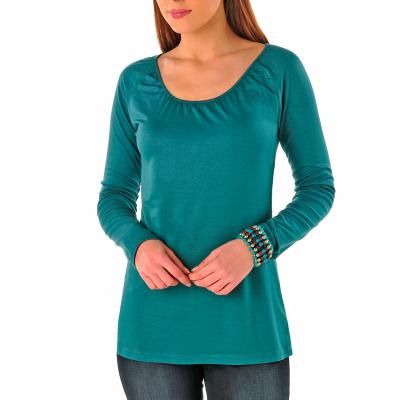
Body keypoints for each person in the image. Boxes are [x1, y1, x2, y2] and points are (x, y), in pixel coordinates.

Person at [96, 0, 336, 399]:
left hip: (247, 325)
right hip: (153, 324)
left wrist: (255, 246)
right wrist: (138, 245)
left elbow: (317, 187)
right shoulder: (135, 81)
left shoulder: (279, 70)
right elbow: (114, 195)